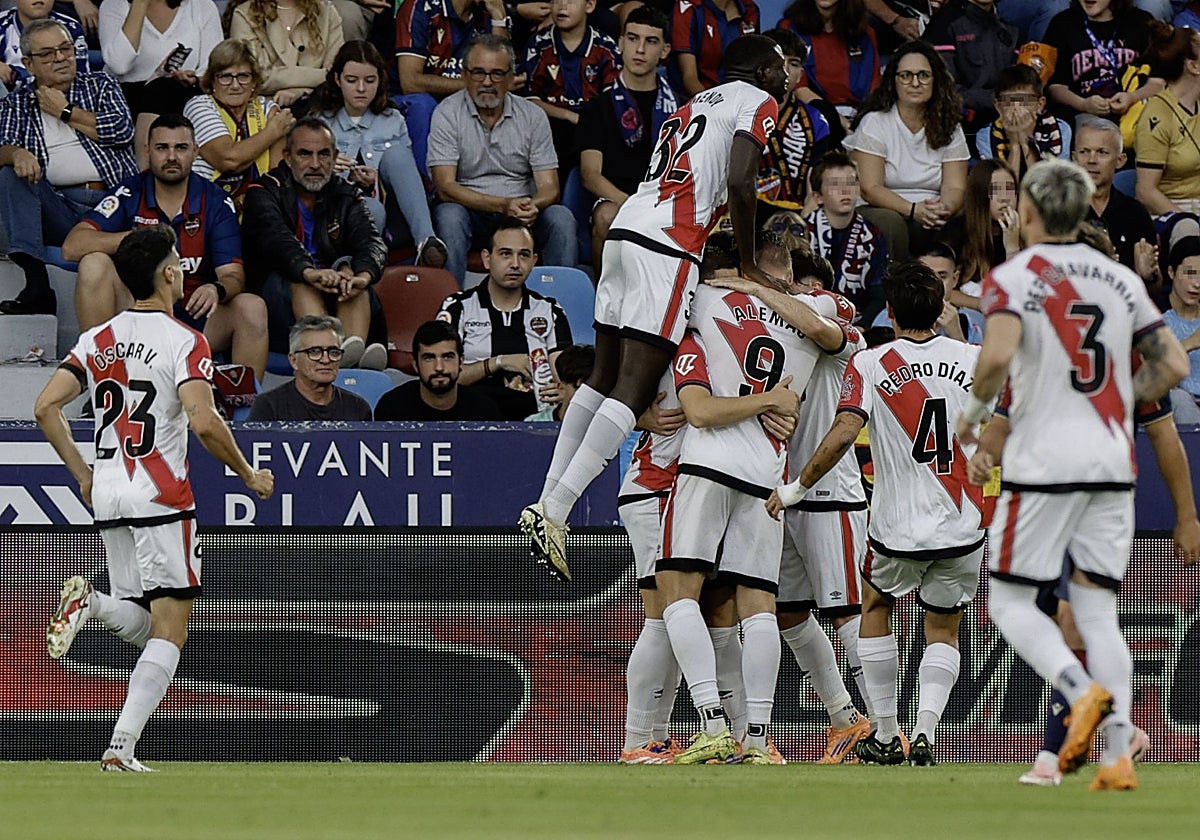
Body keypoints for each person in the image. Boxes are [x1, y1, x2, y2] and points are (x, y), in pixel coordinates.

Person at [518, 34, 788, 581]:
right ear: (762, 70)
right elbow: (740, 176)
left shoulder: (690, 105)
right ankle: (557, 509)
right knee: (634, 386)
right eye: (783, 67)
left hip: (627, 226)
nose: (789, 77)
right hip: (668, 243)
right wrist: (749, 257)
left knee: (601, 376)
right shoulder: (758, 101)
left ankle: (546, 501)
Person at [956, 159, 1188, 790]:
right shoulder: (1119, 280)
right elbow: (1171, 364)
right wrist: (1112, 402)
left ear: (1027, 213)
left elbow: (997, 355)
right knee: (1096, 611)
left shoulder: (1014, 275)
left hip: (1044, 462)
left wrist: (973, 418)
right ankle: (1116, 758)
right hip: (1113, 463)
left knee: (1007, 598)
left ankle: (1079, 691)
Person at [37, 225, 274, 771]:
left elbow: (46, 408)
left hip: (112, 493)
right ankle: (120, 746)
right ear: (169, 273)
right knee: (173, 629)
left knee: (147, 626)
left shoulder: (97, 337)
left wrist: (84, 474)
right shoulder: (183, 340)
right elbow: (204, 421)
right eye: (177, 260)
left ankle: (92, 607)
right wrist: (246, 473)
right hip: (161, 494)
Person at [770, 260, 990, 766]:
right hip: (961, 524)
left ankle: (888, 735)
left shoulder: (870, 363)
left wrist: (796, 490)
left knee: (875, 609)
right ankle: (928, 734)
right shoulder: (976, 360)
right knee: (944, 629)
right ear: (942, 309)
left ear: (889, 312)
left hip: (895, 530)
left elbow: (845, 430)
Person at [967, 356, 1200, 786]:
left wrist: (1187, 515)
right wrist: (984, 453)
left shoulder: (1126, 359)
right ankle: (1120, 735)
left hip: (1091, 498)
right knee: (1053, 615)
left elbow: (1164, 428)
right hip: (1040, 499)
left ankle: (1056, 755)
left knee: (1078, 619)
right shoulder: (1038, 355)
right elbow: (1003, 417)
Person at [657, 235, 845, 766]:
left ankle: (712, 724)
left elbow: (695, 406)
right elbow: (832, 335)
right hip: (767, 473)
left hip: (708, 463)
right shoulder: (815, 308)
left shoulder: (704, 300)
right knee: (759, 603)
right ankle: (759, 740)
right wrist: (777, 400)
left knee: (676, 591)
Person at [713, 237, 874, 765]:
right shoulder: (749, 323)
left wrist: (754, 287)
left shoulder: (827, 306)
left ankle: (889, 729)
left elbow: (823, 329)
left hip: (829, 488)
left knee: (848, 611)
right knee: (787, 613)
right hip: (776, 489)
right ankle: (845, 718)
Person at [64, 114, 269, 382]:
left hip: (193, 313)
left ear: (195, 152)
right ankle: (103, 383)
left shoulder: (216, 201)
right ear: (148, 152)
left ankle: (241, 408)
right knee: (93, 263)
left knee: (252, 307)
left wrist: (216, 289)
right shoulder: (129, 192)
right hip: (135, 312)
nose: (171, 156)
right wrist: (139, 237)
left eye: (181, 148)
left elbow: (233, 276)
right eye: (162, 148)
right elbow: (72, 247)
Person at [0, 18, 137, 316]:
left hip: (112, 207)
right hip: (60, 209)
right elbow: (2, 147)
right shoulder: (17, 104)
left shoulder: (100, 84)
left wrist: (64, 111)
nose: (61, 58)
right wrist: (16, 153)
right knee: (9, 173)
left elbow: (122, 130)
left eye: (65, 48)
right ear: (28, 63)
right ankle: (37, 284)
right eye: (48, 53)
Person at [427, 34, 578, 284]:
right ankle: (450, 309)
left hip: (523, 213)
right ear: (464, 75)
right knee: (449, 216)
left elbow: (550, 187)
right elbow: (445, 187)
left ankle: (561, 309)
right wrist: (502, 204)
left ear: (510, 79)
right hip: (471, 213)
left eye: (497, 74)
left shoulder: (533, 115)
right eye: (478, 73)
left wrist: (533, 205)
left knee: (561, 218)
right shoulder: (447, 114)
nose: (487, 82)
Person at [243, 116, 388, 369]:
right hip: (278, 301)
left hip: (333, 294)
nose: (315, 164)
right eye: (304, 154)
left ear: (334, 157)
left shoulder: (347, 193)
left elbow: (371, 242)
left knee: (353, 283)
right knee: (301, 280)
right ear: (287, 157)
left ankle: (347, 357)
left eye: (323, 155)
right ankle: (330, 355)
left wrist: (361, 275)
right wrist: (310, 272)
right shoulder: (263, 191)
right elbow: (277, 241)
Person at [319, 39, 445, 265]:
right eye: (351, 80)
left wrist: (374, 179)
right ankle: (356, 266)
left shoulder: (393, 119)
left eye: (369, 81)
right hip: (341, 216)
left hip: (392, 211)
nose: (361, 89)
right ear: (337, 80)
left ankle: (427, 241)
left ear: (380, 81)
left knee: (397, 155)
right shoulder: (320, 124)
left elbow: (404, 174)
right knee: (369, 209)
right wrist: (332, 171)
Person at [436, 215, 573, 420]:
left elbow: (562, 375)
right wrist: (499, 362)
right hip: (470, 420)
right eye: (505, 254)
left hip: (532, 422)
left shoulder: (549, 310)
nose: (515, 264)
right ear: (486, 258)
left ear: (534, 261)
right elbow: (441, 377)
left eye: (524, 255)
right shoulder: (457, 307)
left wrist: (564, 390)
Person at [846, 39, 969, 262]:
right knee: (891, 223)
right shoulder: (875, 122)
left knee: (963, 219)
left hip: (931, 212)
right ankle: (900, 287)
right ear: (894, 81)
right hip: (883, 209)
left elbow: (955, 186)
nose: (915, 82)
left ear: (935, 80)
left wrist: (943, 209)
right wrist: (913, 210)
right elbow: (870, 188)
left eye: (923, 75)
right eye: (906, 75)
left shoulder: (951, 125)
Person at [575, 3, 674, 262]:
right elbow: (590, 175)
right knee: (606, 216)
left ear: (664, 51)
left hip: (667, 200)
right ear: (620, 42)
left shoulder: (681, 108)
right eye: (632, 39)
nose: (639, 49)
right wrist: (634, 206)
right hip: (617, 200)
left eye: (651, 41)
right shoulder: (596, 108)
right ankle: (602, 299)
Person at [98, 0, 222, 167]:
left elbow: (213, 67)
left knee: (165, 88)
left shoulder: (201, 6)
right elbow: (119, 63)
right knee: (159, 89)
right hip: (127, 100)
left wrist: (192, 79)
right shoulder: (113, 5)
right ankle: (144, 177)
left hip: (185, 93)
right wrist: (139, 4)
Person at [183, 38, 295, 213]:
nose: (235, 85)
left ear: (254, 82)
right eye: (226, 77)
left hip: (261, 210)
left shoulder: (266, 108)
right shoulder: (199, 106)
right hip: (208, 209)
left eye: (243, 76)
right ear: (212, 81)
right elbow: (228, 159)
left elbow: (276, 175)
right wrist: (272, 131)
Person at [520, 0, 619, 178]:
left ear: (589, 5)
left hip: (593, 128)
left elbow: (612, 99)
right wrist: (568, 115)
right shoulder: (538, 45)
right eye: (556, 0)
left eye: (571, 1)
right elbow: (529, 100)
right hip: (549, 127)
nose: (562, 6)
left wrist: (586, 120)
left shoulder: (606, 47)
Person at [1043, 0, 1161, 129]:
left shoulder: (1141, 22)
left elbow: (1158, 83)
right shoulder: (1062, 23)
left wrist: (1132, 98)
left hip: (1135, 112)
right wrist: (1083, 104)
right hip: (1082, 116)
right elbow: (1055, 88)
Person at [756, 28, 832, 216]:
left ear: (800, 75)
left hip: (798, 218)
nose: (785, 69)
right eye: (779, 60)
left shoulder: (816, 122)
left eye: (794, 63)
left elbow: (814, 183)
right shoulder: (735, 113)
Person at [805, 151, 888, 324]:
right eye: (834, 185)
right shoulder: (803, 231)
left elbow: (879, 294)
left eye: (851, 183)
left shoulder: (873, 236)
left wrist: (863, 327)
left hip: (858, 324)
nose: (845, 191)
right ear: (817, 196)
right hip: (809, 319)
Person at [1073, 114, 1158, 283]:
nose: (1091, 160)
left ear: (1120, 160)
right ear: (1074, 158)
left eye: (1102, 153)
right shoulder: (1060, 211)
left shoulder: (1135, 213)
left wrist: (1148, 276)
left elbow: (1155, 289)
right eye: (1084, 152)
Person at [923, 0, 1019, 138]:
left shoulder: (1010, 27)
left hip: (1007, 124)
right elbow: (943, 88)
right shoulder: (944, 24)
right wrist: (995, 99)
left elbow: (1018, 81)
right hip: (961, 130)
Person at [248, 314, 374, 420]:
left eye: (333, 352)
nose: (325, 360)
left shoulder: (358, 408)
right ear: (293, 361)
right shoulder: (269, 406)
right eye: (314, 352)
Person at [373, 319, 501, 420]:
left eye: (447, 357)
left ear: (461, 361)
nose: (439, 367)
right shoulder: (392, 408)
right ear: (415, 365)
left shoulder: (484, 412)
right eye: (429, 358)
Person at [228, 0, 345, 109]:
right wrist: (323, 76)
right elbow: (257, 76)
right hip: (263, 109)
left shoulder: (326, 11)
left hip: (319, 105)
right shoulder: (244, 15)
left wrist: (301, 91)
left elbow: (337, 73)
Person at [778, 0, 879, 127]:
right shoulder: (790, 29)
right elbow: (799, 88)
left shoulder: (866, 34)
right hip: (813, 117)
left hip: (860, 118)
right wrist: (841, 123)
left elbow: (874, 89)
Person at [1135, 21, 1200, 216]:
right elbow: (1145, 192)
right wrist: (1189, 222)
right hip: (1174, 211)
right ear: (1193, 66)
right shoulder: (1157, 115)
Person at [976, 64, 1073, 181]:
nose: (1016, 108)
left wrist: (1025, 142)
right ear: (998, 106)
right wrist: (1015, 145)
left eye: (1024, 100)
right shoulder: (985, 135)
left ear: (1040, 104)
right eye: (1008, 101)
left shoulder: (1060, 130)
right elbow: (1003, 193)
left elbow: (1049, 191)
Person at [940, 159, 1021, 290]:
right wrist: (982, 305)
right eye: (995, 190)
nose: (1004, 198)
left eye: (1010, 189)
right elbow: (941, 288)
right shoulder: (957, 230)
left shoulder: (1028, 231)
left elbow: (1021, 289)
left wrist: (1013, 248)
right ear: (980, 194)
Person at [670, 0, 760, 98]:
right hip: (693, 102)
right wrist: (715, 108)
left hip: (738, 101)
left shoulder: (750, 8)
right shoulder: (689, 7)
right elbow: (690, 78)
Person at [0, 0, 88, 91]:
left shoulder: (71, 27)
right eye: (45, 54)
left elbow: (79, 80)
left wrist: (16, 76)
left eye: (64, 48)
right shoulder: (2, 25)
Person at [1163, 235, 1200, 421]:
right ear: (1171, 272)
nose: (1197, 283)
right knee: (1178, 398)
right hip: (1179, 407)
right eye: (1190, 273)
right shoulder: (1158, 321)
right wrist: (1190, 343)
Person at [525, 343, 594, 421]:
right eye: (578, 388)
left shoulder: (604, 425)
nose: (585, 397)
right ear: (561, 386)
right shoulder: (533, 423)